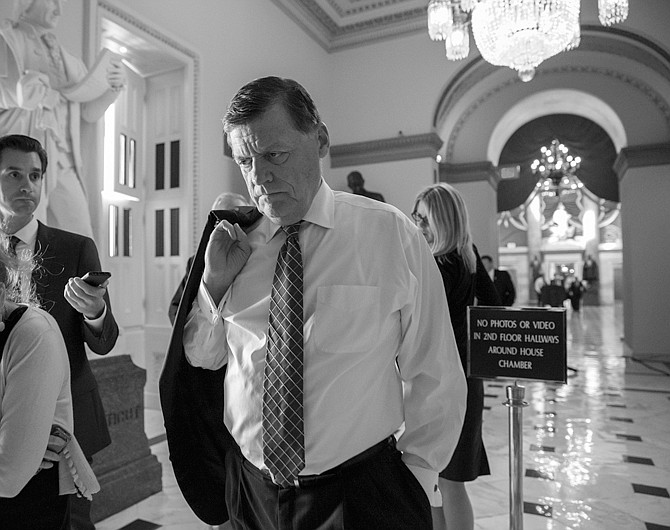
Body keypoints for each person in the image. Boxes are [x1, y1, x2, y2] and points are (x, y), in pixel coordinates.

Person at [164, 76, 466, 530]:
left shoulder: (388, 235)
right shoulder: (236, 244)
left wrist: (417, 479)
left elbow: (435, 371)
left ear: (320, 139)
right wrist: (213, 284)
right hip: (251, 492)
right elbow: (203, 358)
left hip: (358, 496)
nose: (259, 176)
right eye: (245, 160)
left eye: (275, 155)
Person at [0, 134, 119, 530]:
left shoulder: (74, 247)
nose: (27, 185)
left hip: (68, 426)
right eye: (14, 173)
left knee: (71, 523)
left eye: (35, 175)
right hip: (6, 423)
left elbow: (106, 341)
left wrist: (95, 311)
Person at [412, 183, 501, 530]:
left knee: (442, 481)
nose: (416, 224)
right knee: (441, 481)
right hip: (465, 374)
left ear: (442, 220)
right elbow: (493, 305)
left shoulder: (436, 264)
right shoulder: (467, 254)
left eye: (424, 219)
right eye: (416, 216)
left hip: (442, 381)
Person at [0, 0, 126, 238]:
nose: (58, 8)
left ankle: (86, 277)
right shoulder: (8, 40)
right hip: (24, 156)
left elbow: (88, 112)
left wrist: (113, 87)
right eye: (51, 1)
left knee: (81, 230)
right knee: (26, 231)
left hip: (63, 158)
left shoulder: (70, 60)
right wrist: (16, 95)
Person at [168, 191, 250, 324]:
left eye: (239, 218)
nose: (232, 226)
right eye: (224, 220)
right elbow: (176, 309)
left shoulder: (260, 254)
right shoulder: (197, 261)